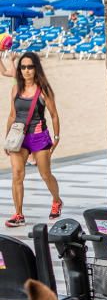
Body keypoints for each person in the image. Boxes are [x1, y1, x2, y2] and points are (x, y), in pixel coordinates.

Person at [4, 52, 62, 227]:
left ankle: (57, 200)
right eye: (23, 67)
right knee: (17, 175)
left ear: (36, 68)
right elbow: (12, 115)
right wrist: (7, 138)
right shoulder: (16, 89)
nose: (26, 70)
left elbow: (54, 115)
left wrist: (57, 137)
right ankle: (19, 214)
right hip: (19, 138)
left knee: (45, 174)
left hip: (39, 137)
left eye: (30, 67)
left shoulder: (43, 89)